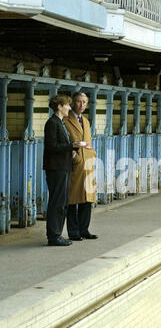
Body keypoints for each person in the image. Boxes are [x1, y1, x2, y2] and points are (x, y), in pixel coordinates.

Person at [43, 95, 87, 246]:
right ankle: (54, 236)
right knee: (57, 202)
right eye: (67, 105)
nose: (69, 108)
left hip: (64, 167)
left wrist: (74, 145)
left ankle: (57, 234)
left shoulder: (60, 123)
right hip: (56, 168)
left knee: (62, 202)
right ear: (60, 107)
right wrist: (72, 145)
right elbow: (51, 147)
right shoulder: (52, 123)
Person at [64, 92, 98, 241]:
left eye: (84, 102)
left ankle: (84, 229)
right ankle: (73, 231)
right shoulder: (66, 120)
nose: (81, 105)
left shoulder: (86, 121)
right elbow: (66, 141)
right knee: (73, 199)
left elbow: (88, 141)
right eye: (78, 102)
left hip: (88, 163)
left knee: (87, 199)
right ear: (73, 103)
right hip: (76, 165)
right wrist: (74, 156)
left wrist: (93, 155)